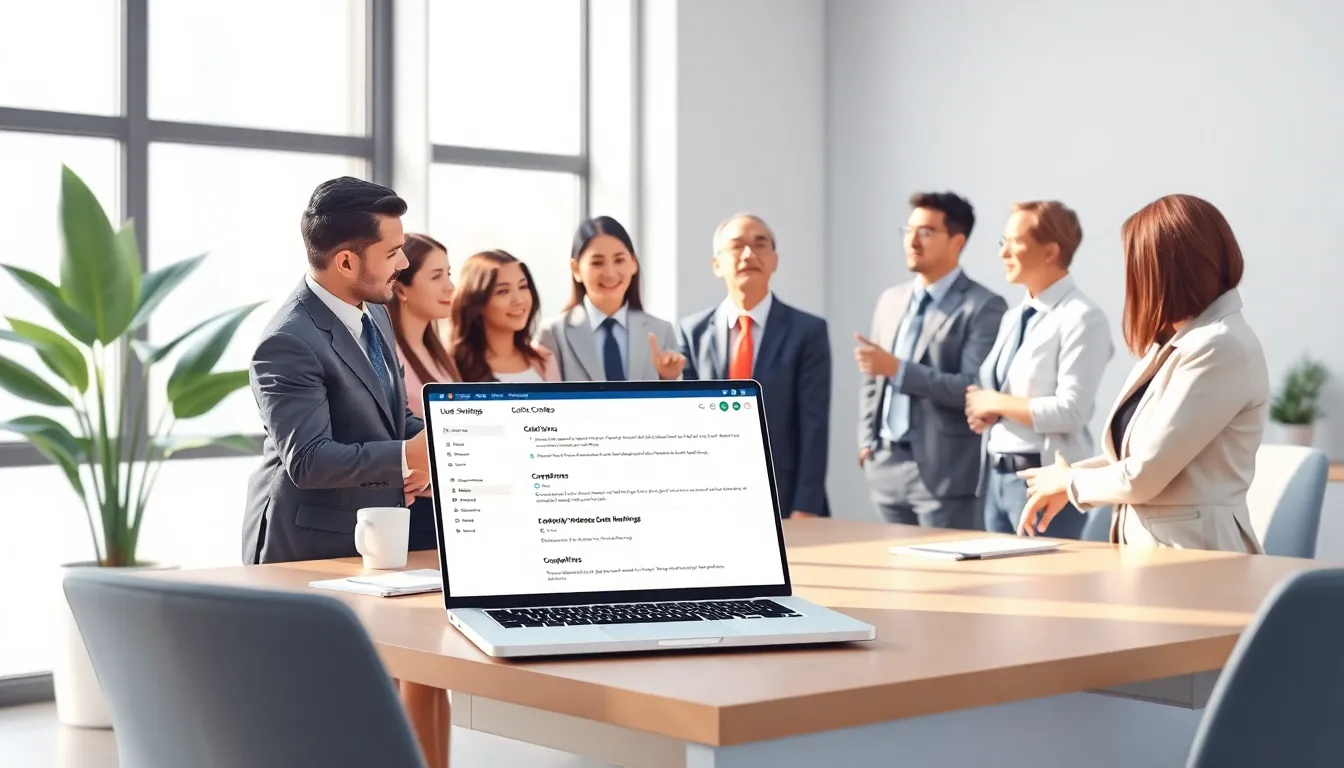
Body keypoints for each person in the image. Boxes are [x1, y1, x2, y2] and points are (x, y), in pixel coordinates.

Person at [1018, 194, 1267, 553]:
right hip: (1156, 554)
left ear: (1167, 271)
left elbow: (1144, 474)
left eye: (1136, 266)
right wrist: (1065, 481)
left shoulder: (1219, 346)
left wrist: (1069, 480)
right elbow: (1137, 457)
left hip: (1197, 559)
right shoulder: (1176, 341)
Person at [243, 177, 429, 565]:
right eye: (393, 252)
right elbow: (309, 459)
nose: (404, 263)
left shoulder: (374, 310)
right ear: (346, 261)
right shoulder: (288, 342)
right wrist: (405, 456)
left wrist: (444, 443)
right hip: (304, 550)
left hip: (370, 537)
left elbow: (392, 417)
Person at [855, 191, 1007, 529]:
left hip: (944, 474)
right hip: (885, 467)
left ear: (957, 241)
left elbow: (971, 387)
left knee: (946, 579)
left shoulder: (983, 306)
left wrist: (897, 369)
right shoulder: (890, 300)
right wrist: (867, 442)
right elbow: (871, 378)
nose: (912, 240)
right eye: (907, 230)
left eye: (925, 232)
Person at [964, 201, 1113, 538]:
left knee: (1045, 589)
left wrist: (995, 404)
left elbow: (1072, 410)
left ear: (1050, 251)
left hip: (1044, 483)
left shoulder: (1082, 317)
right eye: (1002, 242)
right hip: (996, 481)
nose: (1003, 252)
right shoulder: (1013, 316)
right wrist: (986, 410)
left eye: (1014, 241)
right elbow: (999, 392)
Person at [678, 213, 832, 519]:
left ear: (774, 260)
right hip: (713, 496)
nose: (749, 254)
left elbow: (814, 426)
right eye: (737, 246)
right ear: (716, 264)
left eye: (760, 244)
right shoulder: (690, 332)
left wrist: (806, 506)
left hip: (786, 498)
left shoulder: (807, 331)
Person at [537, 216, 685, 381]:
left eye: (619, 260)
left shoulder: (661, 331)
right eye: (597, 263)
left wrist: (668, 378)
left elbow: (672, 404)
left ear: (633, 263)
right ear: (576, 269)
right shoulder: (553, 333)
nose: (610, 273)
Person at [389, 232, 459, 552]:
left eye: (448, 274)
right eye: (436, 276)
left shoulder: (437, 352)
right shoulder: (389, 353)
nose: (450, 287)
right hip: (416, 512)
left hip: (446, 504)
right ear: (401, 287)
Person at [449, 249, 561, 383]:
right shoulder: (453, 366)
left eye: (523, 286)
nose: (519, 300)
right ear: (478, 302)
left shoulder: (544, 360)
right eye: (503, 291)